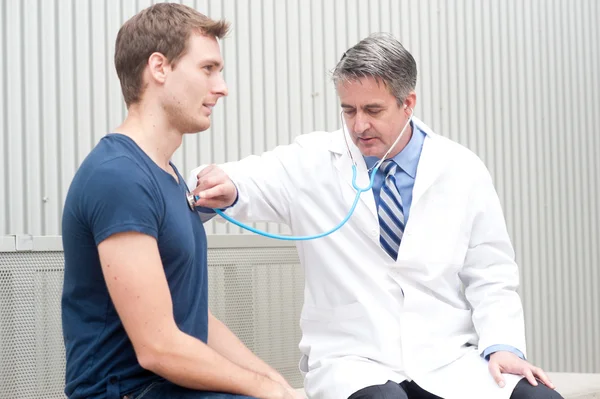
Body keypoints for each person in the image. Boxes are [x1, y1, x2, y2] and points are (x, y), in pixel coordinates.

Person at [188, 33, 563, 399]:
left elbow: (491, 272)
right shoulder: (312, 161)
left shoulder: (461, 169)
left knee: (540, 398)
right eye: (348, 110)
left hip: (447, 358)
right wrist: (225, 185)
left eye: (373, 110)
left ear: (408, 103)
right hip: (354, 360)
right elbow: (243, 179)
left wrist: (503, 345)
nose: (358, 126)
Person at [61, 4, 302, 399]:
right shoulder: (119, 177)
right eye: (208, 69)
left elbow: (191, 322)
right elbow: (159, 348)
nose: (222, 87)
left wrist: (278, 384)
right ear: (159, 68)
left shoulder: (167, 178)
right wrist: (264, 390)